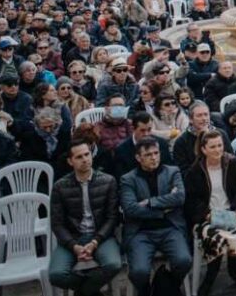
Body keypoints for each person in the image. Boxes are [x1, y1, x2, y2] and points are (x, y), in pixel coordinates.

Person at [182, 129, 236, 296]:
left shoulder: (233, 164)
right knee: (216, 237)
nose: (218, 150)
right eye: (212, 147)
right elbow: (191, 200)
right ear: (203, 149)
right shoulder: (195, 171)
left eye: (220, 145)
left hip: (232, 212)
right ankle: (211, 275)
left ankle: (234, 269)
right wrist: (207, 215)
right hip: (207, 217)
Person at [49, 139, 123, 296]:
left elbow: (112, 218)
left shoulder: (108, 181)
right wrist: (74, 246)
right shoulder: (60, 186)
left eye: (87, 154)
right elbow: (57, 224)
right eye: (79, 157)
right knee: (56, 275)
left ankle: (83, 292)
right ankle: (92, 291)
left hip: (101, 236)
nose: (85, 159)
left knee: (114, 265)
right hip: (73, 238)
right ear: (70, 161)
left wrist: (95, 241)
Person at [120, 137, 192, 296]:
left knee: (184, 261)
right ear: (138, 158)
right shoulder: (128, 179)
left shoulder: (172, 172)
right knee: (139, 271)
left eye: (156, 153)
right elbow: (130, 209)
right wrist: (162, 210)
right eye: (148, 155)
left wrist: (150, 202)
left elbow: (179, 197)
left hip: (170, 227)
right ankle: (146, 290)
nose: (154, 158)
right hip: (141, 232)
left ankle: (164, 285)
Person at [174, 101, 233, 173]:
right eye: (199, 115)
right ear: (191, 119)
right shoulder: (181, 142)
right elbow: (183, 171)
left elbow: (231, 160)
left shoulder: (221, 134)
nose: (204, 118)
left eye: (206, 114)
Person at [113, 112, 175, 178]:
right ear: (133, 129)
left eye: (149, 129)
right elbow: (121, 177)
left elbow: (169, 171)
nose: (146, 134)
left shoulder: (162, 144)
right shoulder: (121, 150)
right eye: (142, 130)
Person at [19, 107, 72, 179]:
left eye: (51, 126)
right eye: (44, 127)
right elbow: (27, 159)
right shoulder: (29, 137)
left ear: (56, 123)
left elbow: (67, 156)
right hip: (38, 175)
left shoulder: (65, 134)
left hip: (61, 174)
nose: (48, 130)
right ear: (38, 125)